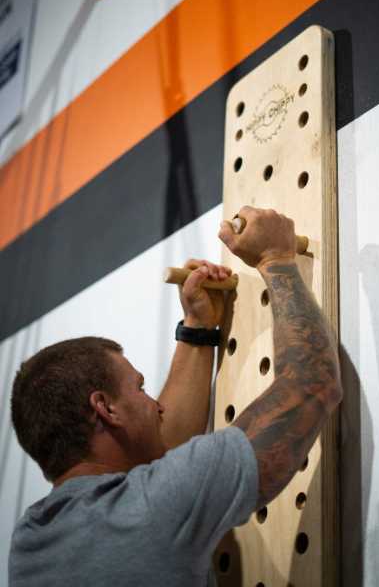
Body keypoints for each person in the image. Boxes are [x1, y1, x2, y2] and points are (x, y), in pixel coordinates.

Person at [9, 206, 342, 587]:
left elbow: (161, 450)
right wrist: (275, 258)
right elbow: (311, 385)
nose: (157, 404)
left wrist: (198, 328)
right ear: (105, 409)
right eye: (140, 389)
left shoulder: (30, 543)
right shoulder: (148, 508)